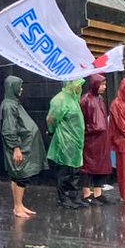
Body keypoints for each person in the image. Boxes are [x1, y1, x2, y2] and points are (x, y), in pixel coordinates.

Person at [0, 75, 46, 218]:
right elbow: (9, 128)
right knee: (21, 175)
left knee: (17, 175)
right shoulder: (9, 105)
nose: (21, 89)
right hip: (20, 147)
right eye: (19, 86)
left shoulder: (14, 103)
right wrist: (16, 147)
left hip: (23, 145)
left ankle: (19, 205)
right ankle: (18, 206)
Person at [47, 80, 87, 209]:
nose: (79, 88)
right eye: (78, 85)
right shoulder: (60, 99)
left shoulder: (73, 99)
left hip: (76, 142)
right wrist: (52, 130)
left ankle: (74, 197)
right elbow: (51, 118)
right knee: (65, 171)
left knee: (75, 170)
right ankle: (64, 198)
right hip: (65, 141)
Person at [79, 74, 112, 205]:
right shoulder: (86, 100)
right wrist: (88, 131)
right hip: (91, 138)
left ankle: (98, 192)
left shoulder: (100, 99)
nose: (104, 87)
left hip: (101, 139)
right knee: (88, 166)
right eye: (102, 84)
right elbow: (82, 119)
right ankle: (87, 193)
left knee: (100, 166)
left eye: (104, 84)